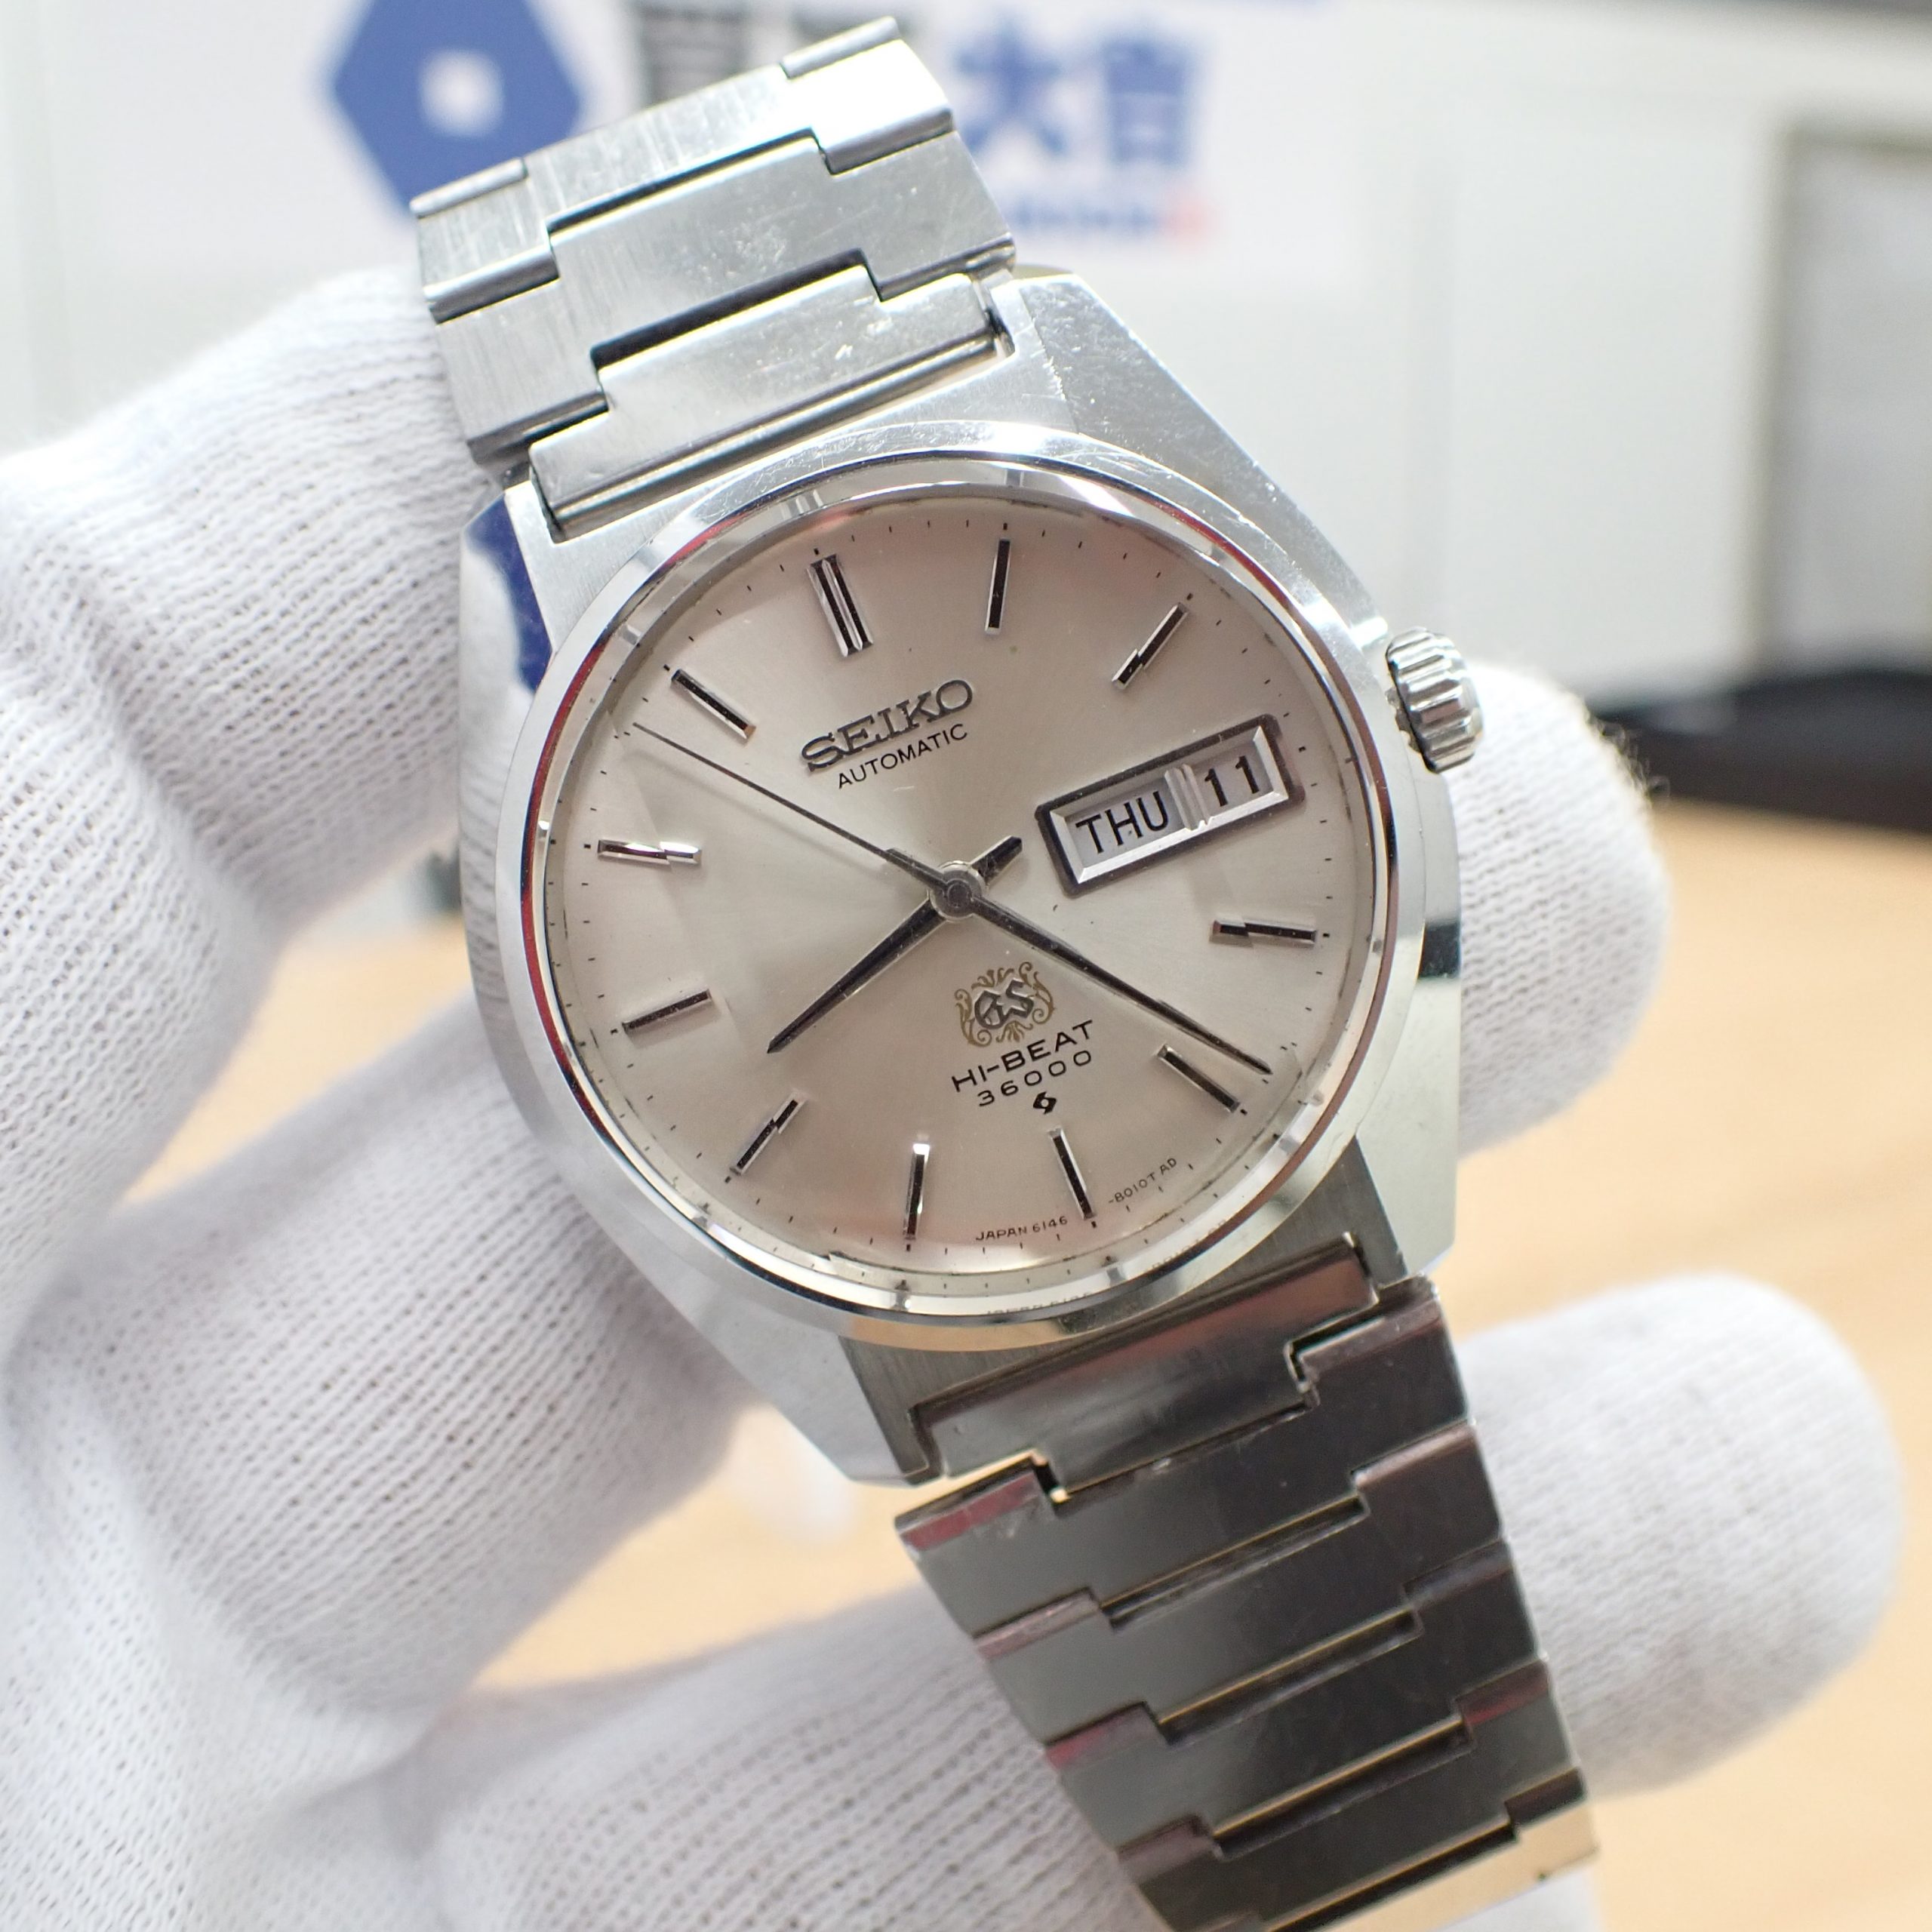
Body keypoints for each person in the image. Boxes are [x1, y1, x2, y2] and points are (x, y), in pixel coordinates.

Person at [0, 269, 1901, 1929]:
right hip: (937, 1282)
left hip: (1220, 1166)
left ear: (1395, 707)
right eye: (923, 881)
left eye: (962, 866)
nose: (951, 883)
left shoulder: (1066, 425)